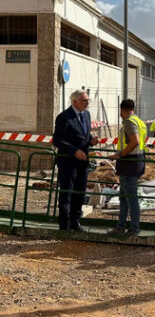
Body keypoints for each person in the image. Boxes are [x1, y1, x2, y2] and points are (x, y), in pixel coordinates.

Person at [53, 89, 98, 231]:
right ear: (75, 102)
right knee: (67, 193)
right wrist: (74, 151)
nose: (87, 103)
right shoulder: (64, 117)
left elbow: (83, 134)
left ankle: (75, 222)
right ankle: (64, 226)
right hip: (68, 162)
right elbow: (58, 140)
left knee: (80, 192)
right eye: (84, 101)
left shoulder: (86, 115)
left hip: (83, 162)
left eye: (88, 100)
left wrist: (91, 140)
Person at [109, 99, 147, 236]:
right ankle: (121, 226)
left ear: (122, 110)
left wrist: (120, 154)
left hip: (129, 162)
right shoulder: (139, 121)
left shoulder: (129, 122)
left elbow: (135, 141)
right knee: (125, 197)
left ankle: (133, 228)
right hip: (136, 162)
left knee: (130, 198)